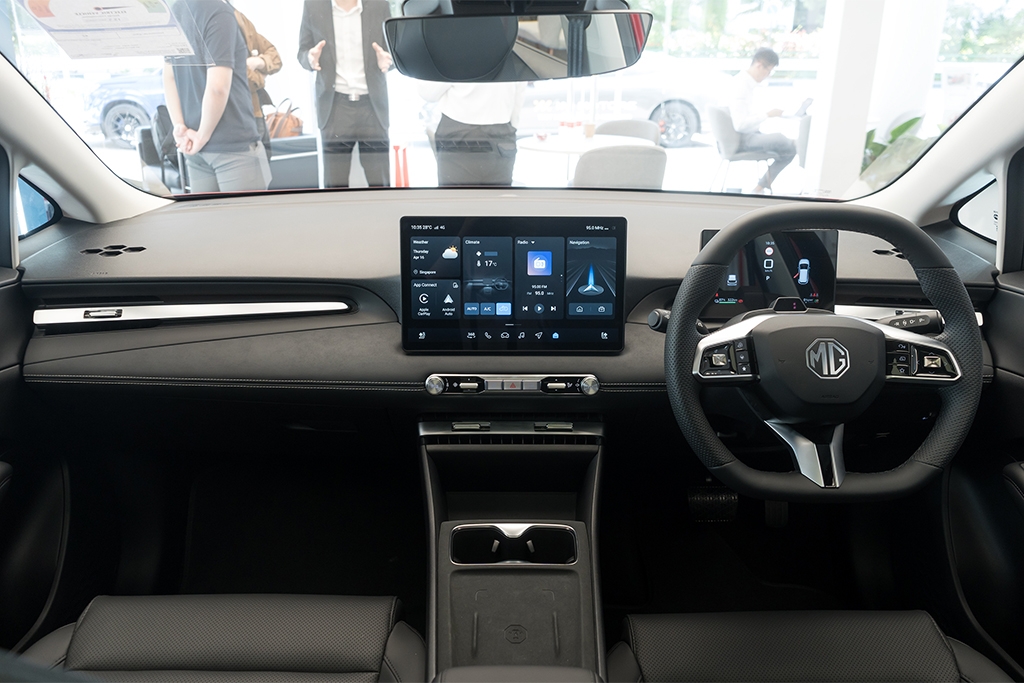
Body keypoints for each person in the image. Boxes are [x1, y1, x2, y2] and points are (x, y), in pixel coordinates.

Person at [163, 0, 270, 192]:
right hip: (232, 146)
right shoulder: (219, 12)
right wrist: (202, 136)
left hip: (194, 146)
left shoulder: (175, 10)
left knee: (208, 212)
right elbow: (217, 87)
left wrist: (180, 126)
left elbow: (169, 77)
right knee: (248, 212)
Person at [297, 0, 393, 188]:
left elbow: (394, 50)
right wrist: (310, 58)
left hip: (372, 107)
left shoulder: (379, 4)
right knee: (334, 186)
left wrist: (388, 61)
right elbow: (302, 52)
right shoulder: (313, 5)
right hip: (334, 107)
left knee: (381, 184)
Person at [419, 82, 525, 186]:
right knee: (498, 195)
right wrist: (510, 129)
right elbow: (519, 90)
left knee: (456, 196)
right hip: (501, 130)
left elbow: (428, 92)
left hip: (459, 131)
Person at [726, 47, 797, 194]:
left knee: (787, 148)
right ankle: (759, 188)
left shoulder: (744, 83)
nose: (767, 75)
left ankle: (760, 188)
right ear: (759, 65)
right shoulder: (741, 86)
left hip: (748, 134)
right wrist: (767, 115)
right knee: (785, 143)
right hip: (743, 138)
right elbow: (740, 125)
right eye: (768, 71)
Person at [231, 5, 282, 160]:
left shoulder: (239, 18)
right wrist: (260, 78)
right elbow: (238, 74)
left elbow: (275, 57)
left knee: (263, 165)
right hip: (235, 116)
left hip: (255, 111)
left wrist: (259, 62)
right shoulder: (215, 20)